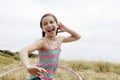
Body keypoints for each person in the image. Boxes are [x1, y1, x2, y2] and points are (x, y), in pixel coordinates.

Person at [19, 13, 81, 80]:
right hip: (38, 77)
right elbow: (23, 51)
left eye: (51, 22)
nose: (49, 25)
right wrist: (28, 66)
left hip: (49, 77)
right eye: (45, 24)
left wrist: (67, 29)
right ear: (42, 29)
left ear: (57, 25)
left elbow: (77, 37)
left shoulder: (60, 39)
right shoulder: (42, 42)